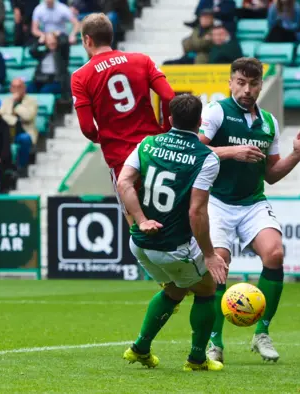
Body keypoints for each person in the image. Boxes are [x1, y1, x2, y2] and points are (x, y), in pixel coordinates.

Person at [199, 57, 300, 363]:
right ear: (230, 83)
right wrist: (231, 151)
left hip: (253, 201)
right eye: (241, 82)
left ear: (260, 86)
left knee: (275, 254)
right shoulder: (217, 112)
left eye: (253, 84)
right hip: (216, 201)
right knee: (219, 263)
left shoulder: (269, 122)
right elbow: (195, 149)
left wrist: (296, 154)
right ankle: (214, 342)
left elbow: (271, 173)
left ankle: (262, 333)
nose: (247, 90)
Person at [117, 94, 227, 372]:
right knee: (206, 290)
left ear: (169, 119)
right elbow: (197, 213)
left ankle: (140, 349)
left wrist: (140, 219)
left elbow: (123, 183)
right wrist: (211, 255)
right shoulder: (206, 158)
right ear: (200, 122)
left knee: (176, 289)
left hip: (139, 242)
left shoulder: (147, 143)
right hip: (171, 246)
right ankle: (197, 359)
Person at [71, 13, 174, 222]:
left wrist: (101, 137)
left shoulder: (80, 76)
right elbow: (169, 96)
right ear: (111, 35)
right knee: (169, 217)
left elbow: (87, 128)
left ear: (87, 40)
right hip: (153, 148)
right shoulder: (141, 60)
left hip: (120, 157)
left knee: (137, 224)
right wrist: (164, 128)